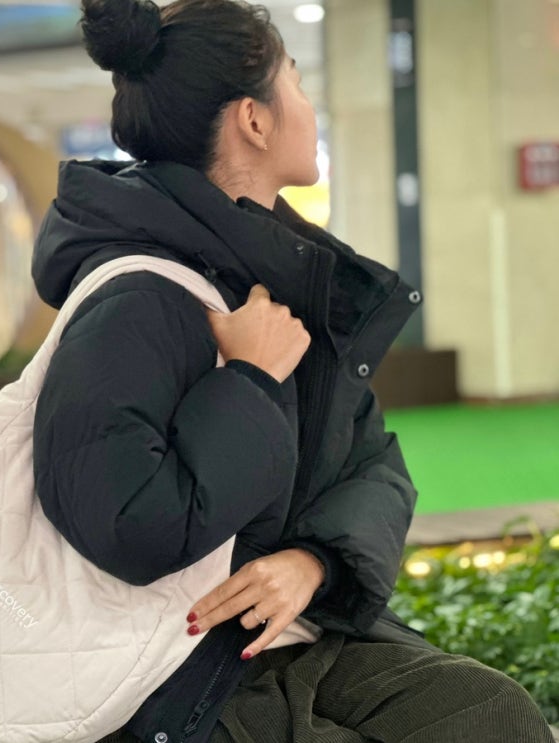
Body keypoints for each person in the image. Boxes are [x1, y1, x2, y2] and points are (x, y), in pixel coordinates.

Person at [31, 1, 555, 741]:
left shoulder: (285, 281)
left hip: (287, 637)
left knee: (492, 713)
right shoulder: (139, 297)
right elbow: (125, 525)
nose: (310, 109)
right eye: (299, 86)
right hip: (170, 677)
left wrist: (314, 562)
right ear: (254, 119)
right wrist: (246, 380)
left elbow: (373, 463)